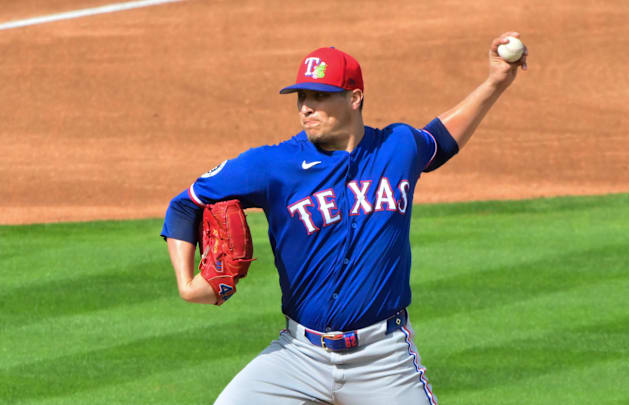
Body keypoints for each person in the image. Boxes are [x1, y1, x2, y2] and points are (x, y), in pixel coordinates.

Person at [161, 32, 528, 404]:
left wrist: (496, 81)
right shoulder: (273, 164)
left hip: (383, 359)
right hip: (298, 356)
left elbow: (441, 140)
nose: (306, 107)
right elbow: (185, 203)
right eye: (303, 97)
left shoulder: (397, 147)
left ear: (355, 98)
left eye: (320, 96)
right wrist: (187, 282)